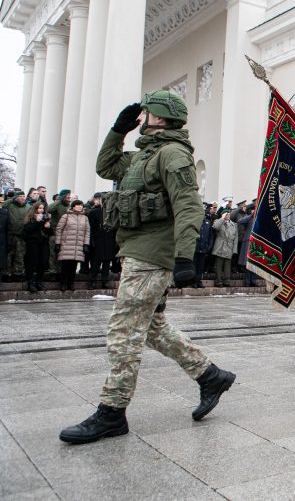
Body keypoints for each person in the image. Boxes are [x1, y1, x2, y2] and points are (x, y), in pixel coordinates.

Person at [59, 91, 235, 444]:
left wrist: (185, 256)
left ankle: (112, 412)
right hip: (137, 249)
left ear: (161, 117)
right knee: (152, 327)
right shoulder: (144, 154)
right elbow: (106, 167)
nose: (143, 115)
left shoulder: (173, 155)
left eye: (148, 111)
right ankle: (210, 375)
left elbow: (189, 207)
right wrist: (118, 130)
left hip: (153, 255)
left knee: (124, 330)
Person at [54, 200, 90, 291]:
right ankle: (63, 283)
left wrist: (86, 244)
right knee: (65, 265)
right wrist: (58, 243)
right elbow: (59, 229)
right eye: (78, 205)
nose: (80, 207)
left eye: (81, 205)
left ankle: (71, 283)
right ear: (73, 206)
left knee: (73, 266)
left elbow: (87, 232)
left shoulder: (85, 218)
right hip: (67, 244)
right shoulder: (66, 216)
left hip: (78, 244)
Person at [86, 193, 117, 289]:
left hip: (108, 241)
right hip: (97, 240)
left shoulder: (111, 212)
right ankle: (92, 282)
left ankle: (105, 281)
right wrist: (91, 241)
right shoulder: (93, 212)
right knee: (95, 263)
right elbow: (90, 228)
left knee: (107, 263)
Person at [22, 202, 52, 292]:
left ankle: (39, 281)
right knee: (31, 263)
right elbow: (27, 230)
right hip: (32, 244)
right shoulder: (30, 219)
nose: (41, 210)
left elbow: (50, 233)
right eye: (39, 208)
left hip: (43, 244)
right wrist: (37, 222)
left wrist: (48, 227)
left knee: (43, 263)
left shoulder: (45, 219)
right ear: (35, 209)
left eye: (42, 208)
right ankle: (30, 283)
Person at [3, 189, 28, 281]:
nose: (22, 198)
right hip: (10, 234)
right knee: (9, 255)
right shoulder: (10, 205)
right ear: (16, 197)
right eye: (20, 196)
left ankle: (18, 273)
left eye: (23, 196)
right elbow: (4, 205)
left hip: (22, 235)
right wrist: (12, 198)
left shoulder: (27, 207)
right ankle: (7, 273)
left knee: (20, 255)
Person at [211, 212, 237, 287]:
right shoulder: (218, 221)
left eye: (228, 214)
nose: (228, 216)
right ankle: (218, 281)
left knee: (227, 265)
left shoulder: (234, 225)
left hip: (229, 246)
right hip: (220, 246)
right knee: (219, 264)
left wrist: (234, 250)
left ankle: (227, 281)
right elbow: (215, 227)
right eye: (226, 214)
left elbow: (236, 238)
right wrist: (222, 218)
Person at [194, 203, 216, 288]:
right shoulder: (195, 222)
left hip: (204, 249)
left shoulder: (207, 222)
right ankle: (193, 282)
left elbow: (210, 236)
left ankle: (199, 281)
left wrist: (209, 246)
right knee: (194, 266)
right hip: (196, 248)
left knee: (201, 267)